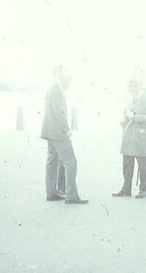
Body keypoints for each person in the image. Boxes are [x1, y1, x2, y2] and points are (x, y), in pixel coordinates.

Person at [41, 66, 88, 204]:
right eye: (64, 71)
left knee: (52, 162)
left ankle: (51, 193)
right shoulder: (56, 89)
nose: (67, 74)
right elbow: (58, 111)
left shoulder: (53, 87)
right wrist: (66, 128)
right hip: (57, 132)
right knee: (71, 162)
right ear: (57, 73)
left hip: (50, 131)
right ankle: (71, 195)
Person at [112, 79, 146, 199]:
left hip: (140, 135)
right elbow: (127, 113)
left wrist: (134, 117)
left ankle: (143, 190)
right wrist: (124, 118)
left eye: (133, 90)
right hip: (129, 134)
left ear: (138, 87)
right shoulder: (131, 99)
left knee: (142, 164)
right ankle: (126, 189)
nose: (131, 93)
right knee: (126, 163)